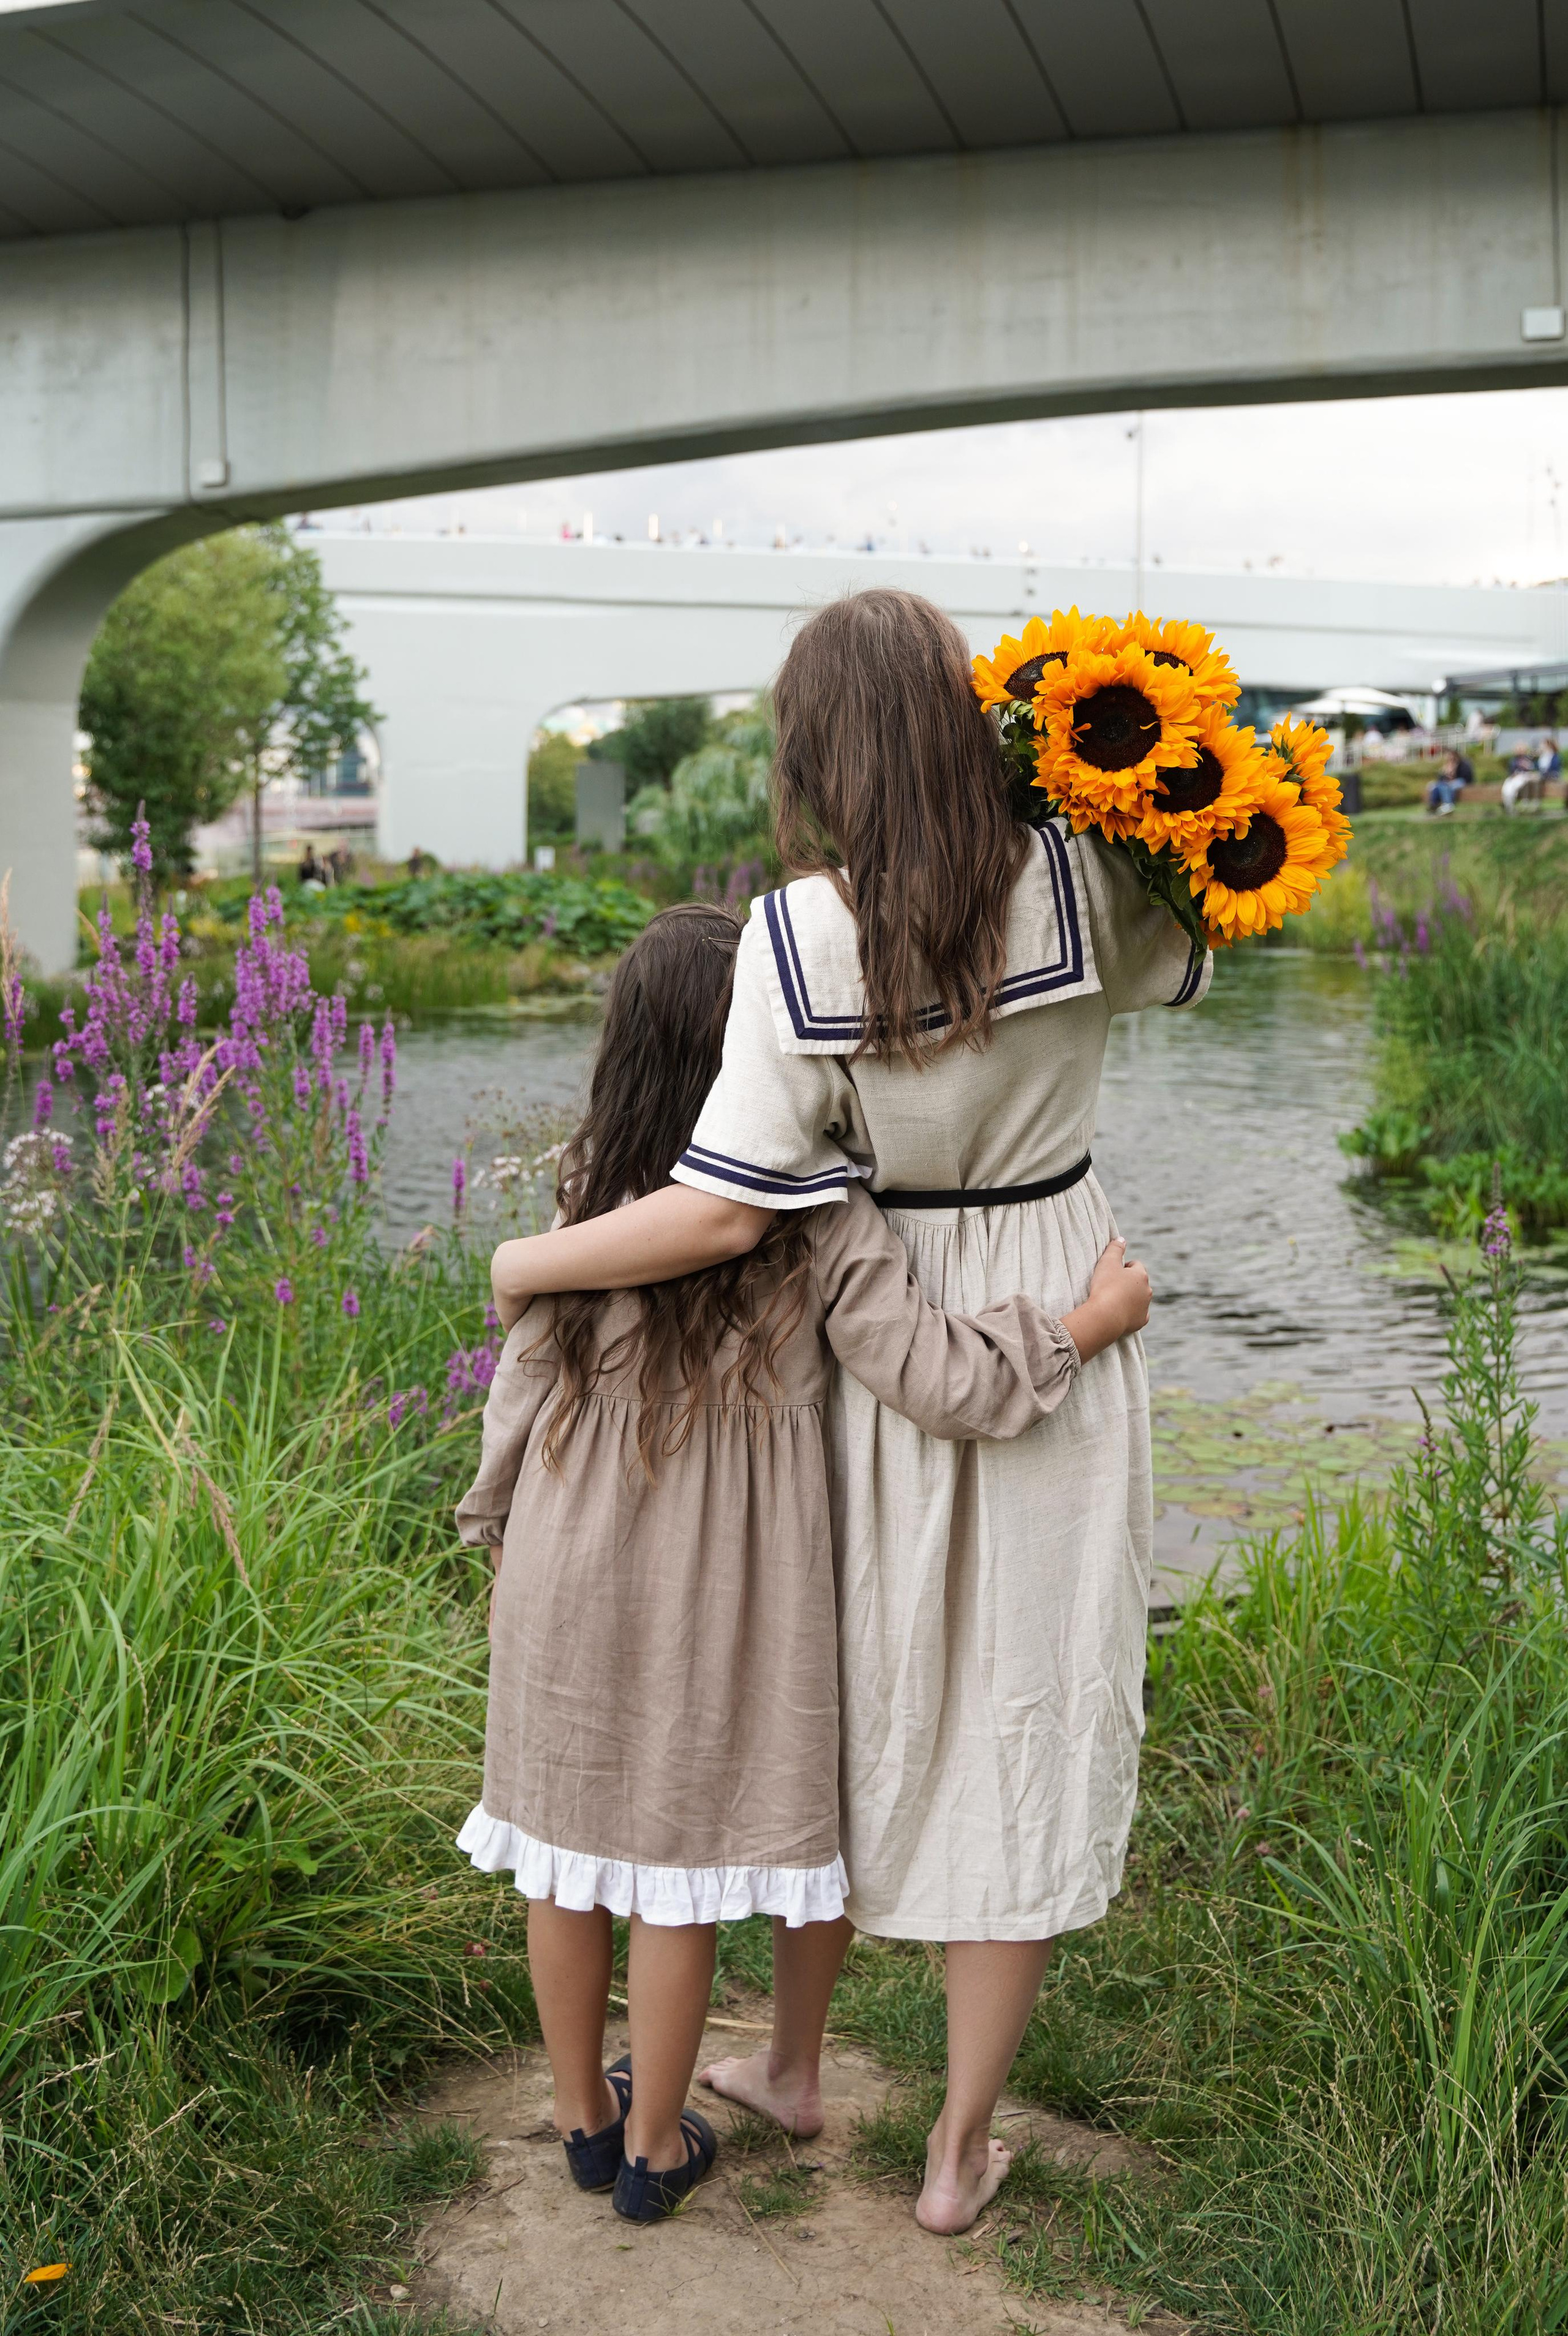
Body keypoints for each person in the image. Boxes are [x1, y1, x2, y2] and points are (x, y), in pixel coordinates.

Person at [488, 589, 1204, 2235]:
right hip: (1062, 1282)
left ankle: (794, 2057)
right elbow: (1189, 952)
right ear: (971, 715)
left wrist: (531, 1254)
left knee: (848, 1693)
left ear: (817, 750)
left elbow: (726, 1205)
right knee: (1021, 1709)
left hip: (876, 1299)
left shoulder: (798, 934)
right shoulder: (1095, 877)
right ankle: (959, 2145)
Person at [1426, 747, 1472, 815]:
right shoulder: (1447, 765)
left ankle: (1448, 805)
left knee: (1447, 786)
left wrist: (1454, 773)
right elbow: (1441, 779)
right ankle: (1434, 805)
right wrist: (1445, 772)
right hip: (1449, 783)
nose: (1450, 758)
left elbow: (1467, 776)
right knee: (1438, 786)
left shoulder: (1463, 763)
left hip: (1462, 780)